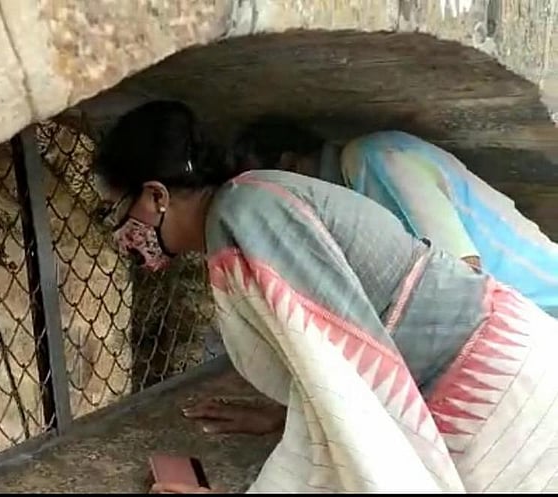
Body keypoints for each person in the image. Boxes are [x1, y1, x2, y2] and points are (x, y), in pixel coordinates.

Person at [93, 100, 558, 493]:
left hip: (494, 392)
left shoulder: (245, 219)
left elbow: (345, 384)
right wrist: (286, 416)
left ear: (156, 196)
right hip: (491, 380)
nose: (119, 233)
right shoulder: (248, 204)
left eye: (113, 211)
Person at [231, 117, 558, 317]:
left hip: (540, 303)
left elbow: (462, 272)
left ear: (289, 166)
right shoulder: (351, 191)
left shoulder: (370, 157)